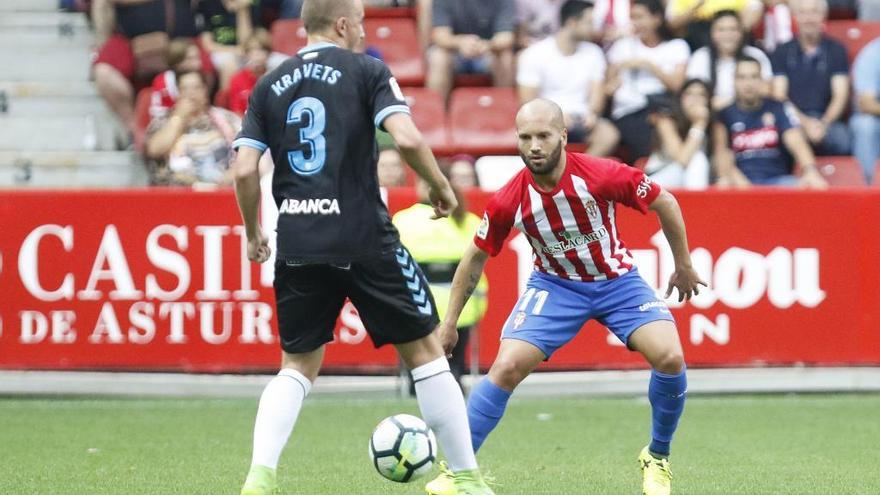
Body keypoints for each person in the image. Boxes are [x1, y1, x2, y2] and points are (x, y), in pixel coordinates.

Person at [230, 1, 495, 494]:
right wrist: (439, 184)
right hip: (363, 234)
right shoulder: (367, 69)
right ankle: (466, 477)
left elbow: (245, 170)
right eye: (363, 25)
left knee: (297, 365)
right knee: (426, 353)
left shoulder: (268, 85)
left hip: (298, 239)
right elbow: (408, 138)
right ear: (344, 24)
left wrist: (252, 231)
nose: (366, 34)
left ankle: (259, 477)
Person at [425, 99, 706, 495]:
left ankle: (657, 457)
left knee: (671, 357)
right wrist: (450, 322)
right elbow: (474, 257)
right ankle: (459, 470)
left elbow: (665, 201)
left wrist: (683, 265)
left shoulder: (601, 174)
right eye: (525, 138)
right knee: (505, 367)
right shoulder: (510, 198)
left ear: (562, 136)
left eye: (543, 136)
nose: (534, 146)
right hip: (555, 286)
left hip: (617, 281)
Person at [394, 176, 489, 390]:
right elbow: (476, 268)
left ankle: (415, 379)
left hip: (414, 305)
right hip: (461, 310)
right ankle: (454, 374)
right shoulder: (468, 220)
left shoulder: (403, 220)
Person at [518, 0, 620, 156]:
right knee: (544, 134)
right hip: (546, 118)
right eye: (589, 22)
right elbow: (528, 100)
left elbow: (596, 92)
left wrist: (592, 114)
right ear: (572, 22)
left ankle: (579, 174)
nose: (593, 28)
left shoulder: (594, 52)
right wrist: (555, 116)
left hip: (582, 119)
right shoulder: (534, 54)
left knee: (608, 135)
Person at [92, 0, 205, 138]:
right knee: (104, 72)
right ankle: (134, 132)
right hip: (130, 40)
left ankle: (202, 122)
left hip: (181, 38)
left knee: (204, 64)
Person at [713, 55, 828, 188]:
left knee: (808, 186)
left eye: (754, 77)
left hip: (778, 181)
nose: (748, 83)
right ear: (734, 81)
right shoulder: (725, 114)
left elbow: (795, 141)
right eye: (742, 77)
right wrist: (744, 186)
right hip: (740, 183)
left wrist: (810, 170)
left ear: (762, 80)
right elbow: (722, 154)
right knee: (723, 184)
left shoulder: (777, 107)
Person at [606, 0, 691, 161]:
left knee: (664, 122)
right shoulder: (622, 46)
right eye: (633, 18)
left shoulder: (677, 46)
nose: (636, 23)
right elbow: (608, 89)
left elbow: (676, 85)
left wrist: (649, 66)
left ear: (657, 18)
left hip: (663, 107)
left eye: (640, 17)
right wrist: (615, 76)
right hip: (629, 112)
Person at [771, 0, 851, 156]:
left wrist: (823, 124)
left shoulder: (837, 50)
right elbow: (779, 96)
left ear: (823, 16)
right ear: (795, 16)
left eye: (814, 12)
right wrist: (805, 123)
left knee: (843, 139)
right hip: (793, 120)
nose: (809, 18)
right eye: (803, 12)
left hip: (827, 120)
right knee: (778, 139)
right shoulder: (782, 51)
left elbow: (840, 96)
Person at [145, 70, 241, 186]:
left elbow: (248, 154)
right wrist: (179, 118)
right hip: (176, 193)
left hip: (222, 190)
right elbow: (154, 150)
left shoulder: (227, 119)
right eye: (184, 89)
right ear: (177, 93)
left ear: (205, 91)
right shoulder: (163, 120)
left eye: (196, 88)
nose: (191, 93)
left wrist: (233, 174)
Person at [427, 0, 518, 102]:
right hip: (455, 52)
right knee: (438, 57)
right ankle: (436, 111)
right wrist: (460, 42)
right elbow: (440, 36)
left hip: (489, 53)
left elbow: (506, 37)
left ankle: (504, 110)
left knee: (505, 57)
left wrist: (487, 45)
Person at [686, 10, 773, 110]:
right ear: (712, 33)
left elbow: (766, 91)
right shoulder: (701, 57)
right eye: (721, 30)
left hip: (749, 113)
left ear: (741, 32)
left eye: (733, 29)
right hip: (712, 115)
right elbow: (693, 95)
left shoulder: (755, 55)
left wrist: (728, 103)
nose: (727, 35)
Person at [645, 79, 712, 189]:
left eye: (701, 95)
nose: (695, 99)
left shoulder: (714, 125)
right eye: (689, 94)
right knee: (697, 157)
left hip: (688, 181)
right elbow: (682, 160)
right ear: (681, 98)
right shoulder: (666, 121)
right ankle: (698, 204)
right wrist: (699, 123)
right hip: (655, 181)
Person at [196, 0, 255, 88]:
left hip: (243, 51)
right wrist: (234, 50)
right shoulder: (207, 4)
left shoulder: (248, 6)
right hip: (218, 51)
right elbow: (207, 45)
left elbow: (246, 42)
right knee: (229, 63)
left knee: (262, 62)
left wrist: (242, 11)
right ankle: (226, 100)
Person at [665, 0, 764, 51]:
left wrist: (731, 33)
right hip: (698, 38)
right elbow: (672, 24)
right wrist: (696, 5)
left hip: (736, 35)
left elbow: (755, 10)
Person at [148, 39, 206, 120]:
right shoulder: (162, 81)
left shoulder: (201, 78)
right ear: (177, 62)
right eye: (190, 59)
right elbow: (156, 112)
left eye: (198, 58)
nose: (198, 64)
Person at [850, 37, 880, 184]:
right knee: (865, 125)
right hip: (876, 118)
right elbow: (865, 104)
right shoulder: (873, 53)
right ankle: (867, 187)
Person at [227, 29, 273, 115]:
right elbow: (236, 112)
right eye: (251, 50)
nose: (256, 54)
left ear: (268, 53)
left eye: (261, 50)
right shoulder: (237, 79)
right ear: (246, 54)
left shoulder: (275, 77)